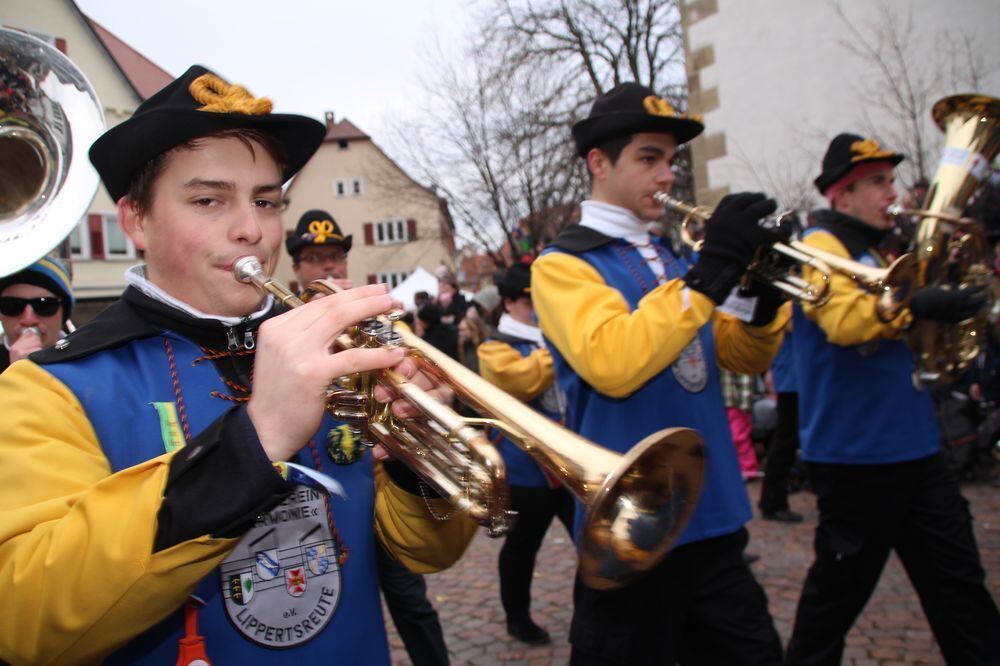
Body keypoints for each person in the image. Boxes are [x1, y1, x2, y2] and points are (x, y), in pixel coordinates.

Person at [0, 65, 476, 664]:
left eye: (267, 201)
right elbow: (21, 618)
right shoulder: (48, 389)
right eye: (208, 199)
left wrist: (417, 459)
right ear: (135, 221)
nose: (253, 230)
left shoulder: (333, 354)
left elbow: (426, 553)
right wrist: (254, 442)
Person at [532, 82, 790, 665]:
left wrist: (760, 296)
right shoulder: (563, 265)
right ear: (599, 163)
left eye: (670, 160)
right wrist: (709, 276)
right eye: (649, 158)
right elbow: (614, 363)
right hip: (630, 528)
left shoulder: (671, 258)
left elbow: (739, 357)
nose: (668, 174)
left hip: (713, 512)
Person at [784, 133, 1000, 665]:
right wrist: (919, 304)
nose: (892, 193)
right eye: (877, 183)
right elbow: (843, 320)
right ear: (841, 195)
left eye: (890, 180)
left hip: (917, 450)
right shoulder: (820, 246)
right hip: (856, 457)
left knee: (962, 593)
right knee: (831, 607)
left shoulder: (880, 247)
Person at [287, 207, 451, 666]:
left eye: (336, 257)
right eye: (317, 259)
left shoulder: (376, 323)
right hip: (324, 499)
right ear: (298, 268)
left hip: (381, 487)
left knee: (413, 606)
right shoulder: (285, 329)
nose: (329, 268)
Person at [477, 262, 575, 645]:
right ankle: (517, 617)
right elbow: (524, 379)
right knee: (522, 547)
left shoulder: (549, 339)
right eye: (533, 302)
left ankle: (597, 609)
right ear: (511, 302)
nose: (540, 309)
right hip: (525, 470)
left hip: (570, 463)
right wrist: (560, 342)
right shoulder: (494, 347)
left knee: (592, 540)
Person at [757, 325, 804, 523]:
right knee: (785, 439)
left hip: (795, 376)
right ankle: (773, 501)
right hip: (793, 378)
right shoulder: (788, 310)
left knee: (786, 439)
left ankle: (773, 498)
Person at [0, 256, 74, 372]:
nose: (28, 319)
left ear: (64, 311)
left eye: (44, 305)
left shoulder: (86, 358)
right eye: (12, 305)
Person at [719, 368, 761, 480]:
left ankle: (748, 468)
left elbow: (745, 378)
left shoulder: (735, 357)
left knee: (739, 437)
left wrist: (745, 404)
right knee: (727, 437)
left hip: (736, 403)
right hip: (722, 402)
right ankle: (736, 468)